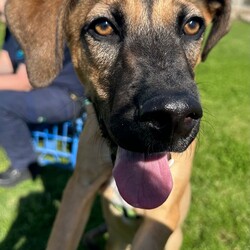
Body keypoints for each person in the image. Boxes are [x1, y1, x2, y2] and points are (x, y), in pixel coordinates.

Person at [0, 0, 85, 187]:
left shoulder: (34, 23)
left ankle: (25, 165)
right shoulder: (12, 28)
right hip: (43, 91)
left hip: (66, 95)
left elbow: (23, 82)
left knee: (2, 103)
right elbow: (5, 62)